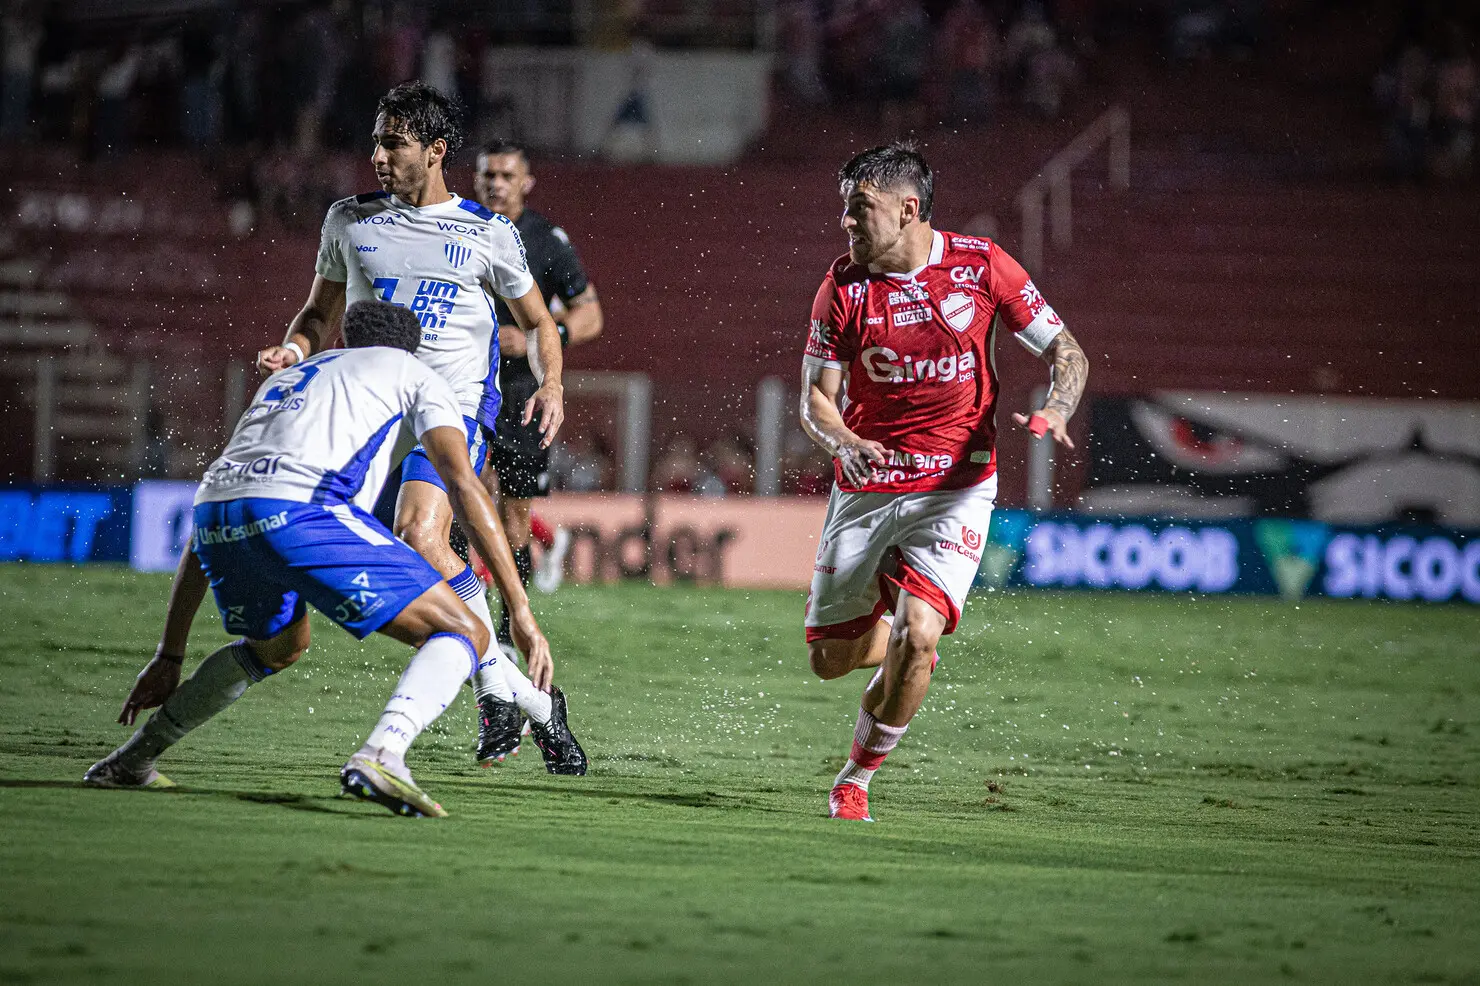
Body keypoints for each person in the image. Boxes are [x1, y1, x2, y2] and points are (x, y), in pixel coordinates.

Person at [136, 82, 586, 776]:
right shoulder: (350, 219)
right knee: (416, 569)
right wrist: (295, 349)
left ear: (435, 151)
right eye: (376, 140)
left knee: (420, 533)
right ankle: (516, 693)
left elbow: (538, 321)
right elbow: (318, 315)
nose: (378, 155)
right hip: (371, 413)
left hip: (452, 405)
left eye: (394, 142)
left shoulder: (486, 232)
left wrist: (552, 382)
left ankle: (493, 675)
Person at [84, 302, 561, 818]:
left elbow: (219, 503)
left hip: (215, 514)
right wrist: (519, 608)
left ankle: (131, 761)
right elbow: (464, 485)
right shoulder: (413, 372)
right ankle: (383, 754)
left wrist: (169, 654)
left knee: (281, 645)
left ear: (342, 342)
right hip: (301, 512)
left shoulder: (292, 377)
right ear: (412, 347)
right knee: (466, 630)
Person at [800, 142, 1089, 822]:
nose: (846, 223)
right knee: (830, 662)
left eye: (858, 209)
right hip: (867, 487)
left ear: (907, 209)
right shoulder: (842, 288)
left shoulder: (981, 267)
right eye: (845, 209)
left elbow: (1066, 352)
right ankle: (895, 639)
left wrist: (1056, 407)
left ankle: (855, 778)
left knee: (919, 637)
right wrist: (845, 439)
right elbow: (816, 401)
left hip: (957, 488)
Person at [465, 139, 603, 758]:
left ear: (528, 183)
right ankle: (494, 651)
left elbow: (590, 314)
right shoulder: (462, 231)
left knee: (514, 518)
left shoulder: (546, 241)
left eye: (507, 175)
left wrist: (542, 341)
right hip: (467, 390)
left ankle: (504, 635)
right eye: (488, 174)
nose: (496, 184)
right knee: (468, 513)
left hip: (522, 393)